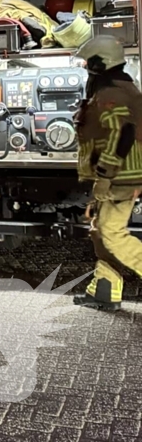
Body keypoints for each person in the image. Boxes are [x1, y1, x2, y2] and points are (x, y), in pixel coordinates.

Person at [73, 35, 142, 311]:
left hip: (120, 176)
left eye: (89, 62)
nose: (86, 68)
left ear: (101, 64)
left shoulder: (111, 93)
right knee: (101, 232)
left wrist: (105, 175)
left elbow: (122, 133)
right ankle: (105, 290)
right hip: (118, 175)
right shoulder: (119, 87)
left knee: (112, 233)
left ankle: (106, 289)